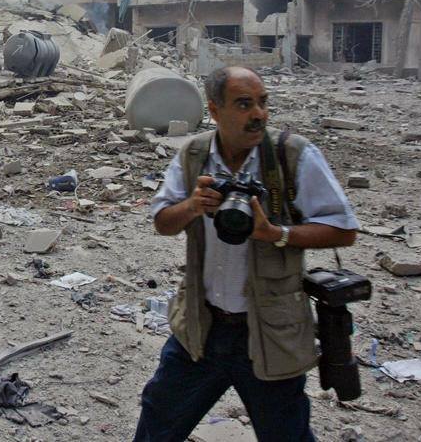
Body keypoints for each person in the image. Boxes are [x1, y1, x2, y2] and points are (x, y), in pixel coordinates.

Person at [133, 66, 359, 442]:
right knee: (158, 423)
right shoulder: (195, 156)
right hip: (201, 328)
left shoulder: (292, 155)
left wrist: (276, 234)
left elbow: (344, 229)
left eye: (262, 103)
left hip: (269, 332)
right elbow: (163, 222)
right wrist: (192, 206)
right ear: (214, 110)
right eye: (244, 104)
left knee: (286, 435)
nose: (259, 114)